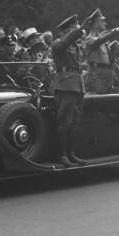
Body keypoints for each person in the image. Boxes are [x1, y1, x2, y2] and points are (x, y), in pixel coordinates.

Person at [52, 13, 94, 167]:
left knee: (74, 123)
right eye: (74, 28)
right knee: (65, 122)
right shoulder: (58, 43)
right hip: (66, 86)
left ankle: (71, 153)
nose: (78, 30)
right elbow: (63, 44)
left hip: (77, 85)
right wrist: (80, 28)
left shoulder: (74, 46)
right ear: (66, 31)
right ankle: (62, 155)